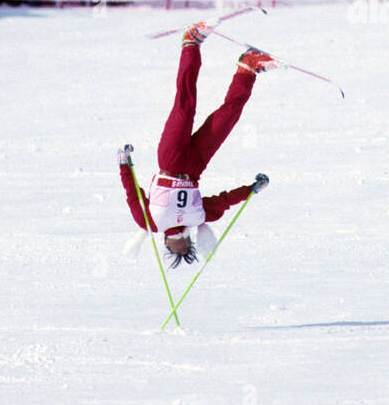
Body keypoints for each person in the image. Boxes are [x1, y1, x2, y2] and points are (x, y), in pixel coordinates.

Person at [118, 22, 275, 268]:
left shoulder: (149, 222)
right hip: (195, 167)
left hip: (170, 160)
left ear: (166, 244)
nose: (180, 241)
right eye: (186, 244)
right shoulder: (198, 217)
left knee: (185, 103)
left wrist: (124, 162)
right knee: (229, 117)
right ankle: (248, 67)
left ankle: (191, 43)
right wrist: (251, 189)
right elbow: (225, 200)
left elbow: (131, 192)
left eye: (175, 244)